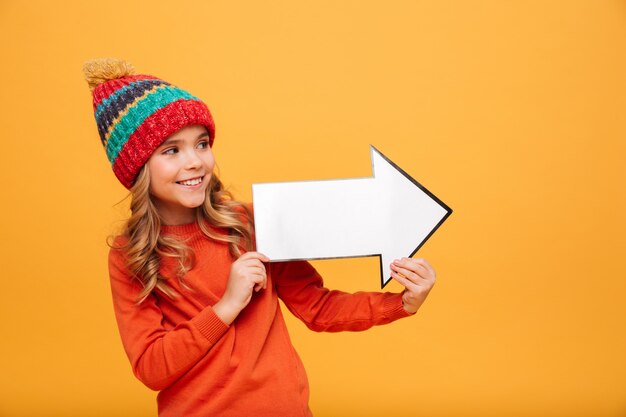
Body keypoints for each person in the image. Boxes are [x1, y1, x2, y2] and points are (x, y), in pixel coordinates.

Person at [84, 58, 437, 417]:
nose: (194, 162)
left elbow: (318, 307)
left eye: (202, 144)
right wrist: (227, 305)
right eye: (171, 150)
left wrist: (402, 303)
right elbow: (152, 368)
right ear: (138, 167)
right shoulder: (131, 255)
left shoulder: (251, 222)